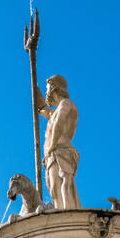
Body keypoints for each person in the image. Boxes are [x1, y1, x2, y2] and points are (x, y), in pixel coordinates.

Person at [33, 74, 80, 210]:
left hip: (61, 150)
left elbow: (59, 123)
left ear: (54, 88)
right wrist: (35, 90)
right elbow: (43, 110)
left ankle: (70, 214)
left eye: (47, 89)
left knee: (65, 183)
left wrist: (51, 146)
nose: (46, 92)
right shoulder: (54, 112)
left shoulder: (67, 104)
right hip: (52, 155)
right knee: (54, 189)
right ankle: (61, 215)